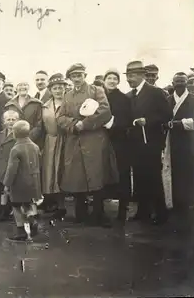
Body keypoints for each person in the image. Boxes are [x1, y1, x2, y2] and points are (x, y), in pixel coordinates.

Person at [57, 63, 119, 227]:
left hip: (94, 139)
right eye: (73, 76)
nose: (77, 79)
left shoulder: (96, 90)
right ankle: (80, 212)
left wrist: (84, 124)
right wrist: (73, 124)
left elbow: (105, 111)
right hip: (75, 140)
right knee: (77, 176)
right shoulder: (67, 96)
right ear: (70, 78)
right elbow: (60, 117)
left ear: (85, 75)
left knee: (96, 174)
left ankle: (98, 213)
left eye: (79, 75)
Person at [125, 61, 172, 225]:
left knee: (153, 177)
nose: (129, 79)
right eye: (128, 76)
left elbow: (167, 115)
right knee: (139, 178)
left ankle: (161, 213)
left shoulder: (156, 92)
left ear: (141, 76)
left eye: (132, 76)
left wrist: (149, 120)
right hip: (135, 143)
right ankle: (143, 211)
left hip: (151, 142)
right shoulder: (130, 95)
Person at [163, 72, 194, 232]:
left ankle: (190, 205)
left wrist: (177, 124)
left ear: (186, 83)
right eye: (177, 81)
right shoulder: (168, 100)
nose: (179, 83)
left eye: (182, 81)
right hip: (171, 142)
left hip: (188, 142)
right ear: (172, 83)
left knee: (188, 171)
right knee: (175, 172)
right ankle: (177, 204)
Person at [102, 69, 133, 223]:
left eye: (115, 78)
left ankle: (123, 209)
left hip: (119, 140)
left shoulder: (123, 98)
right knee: (102, 172)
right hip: (101, 140)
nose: (112, 81)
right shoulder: (100, 96)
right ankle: (101, 209)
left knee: (122, 173)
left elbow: (127, 119)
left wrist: (112, 125)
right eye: (109, 78)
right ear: (104, 80)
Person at [3, 120, 42, 242]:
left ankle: (21, 231)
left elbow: (11, 169)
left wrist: (6, 184)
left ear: (14, 133)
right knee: (28, 204)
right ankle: (32, 220)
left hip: (19, 183)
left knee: (16, 207)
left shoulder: (16, 149)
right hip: (33, 182)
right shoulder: (35, 147)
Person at [41, 73, 68, 219]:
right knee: (51, 173)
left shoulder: (69, 102)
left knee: (65, 172)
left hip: (67, 141)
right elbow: (41, 126)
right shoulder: (45, 106)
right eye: (55, 88)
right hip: (50, 142)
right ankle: (57, 205)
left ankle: (68, 205)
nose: (58, 90)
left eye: (60, 88)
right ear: (50, 90)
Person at [0, 109, 19, 222]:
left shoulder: (19, 134)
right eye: (8, 119)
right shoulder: (1, 134)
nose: (11, 122)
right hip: (1, 165)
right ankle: (2, 211)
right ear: (4, 121)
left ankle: (12, 212)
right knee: (2, 189)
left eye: (13, 119)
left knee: (11, 190)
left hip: (12, 164)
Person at [4, 81, 43, 145]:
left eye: (25, 85)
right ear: (16, 88)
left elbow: (39, 125)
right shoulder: (9, 105)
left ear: (28, 87)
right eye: (20, 85)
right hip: (13, 141)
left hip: (32, 141)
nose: (22, 87)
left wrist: (28, 138)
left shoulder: (36, 104)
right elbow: (5, 124)